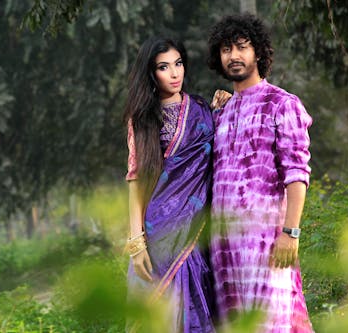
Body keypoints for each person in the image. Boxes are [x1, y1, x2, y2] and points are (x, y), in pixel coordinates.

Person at [207, 13, 314, 332]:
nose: (234, 56)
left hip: (266, 245)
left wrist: (290, 233)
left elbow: (297, 174)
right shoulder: (222, 113)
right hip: (224, 250)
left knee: (273, 325)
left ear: (259, 53)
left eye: (242, 47)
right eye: (226, 49)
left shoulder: (282, 104)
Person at [124, 36, 229, 333]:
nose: (174, 73)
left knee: (196, 303)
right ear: (151, 74)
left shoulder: (200, 108)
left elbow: (216, 150)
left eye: (178, 64)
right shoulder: (142, 119)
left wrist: (223, 107)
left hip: (195, 230)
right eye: (164, 67)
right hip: (158, 231)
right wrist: (136, 242)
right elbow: (136, 180)